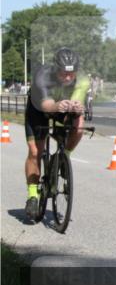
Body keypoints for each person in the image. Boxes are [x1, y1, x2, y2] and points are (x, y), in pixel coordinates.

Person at [23, 48, 90, 221]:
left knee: (79, 123)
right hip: (39, 109)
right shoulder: (42, 76)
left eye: (71, 74)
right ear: (55, 69)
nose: (68, 78)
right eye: (63, 74)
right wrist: (57, 105)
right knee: (35, 151)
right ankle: (32, 195)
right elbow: (46, 105)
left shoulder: (82, 80)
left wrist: (76, 107)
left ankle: (64, 157)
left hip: (62, 106)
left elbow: (76, 101)